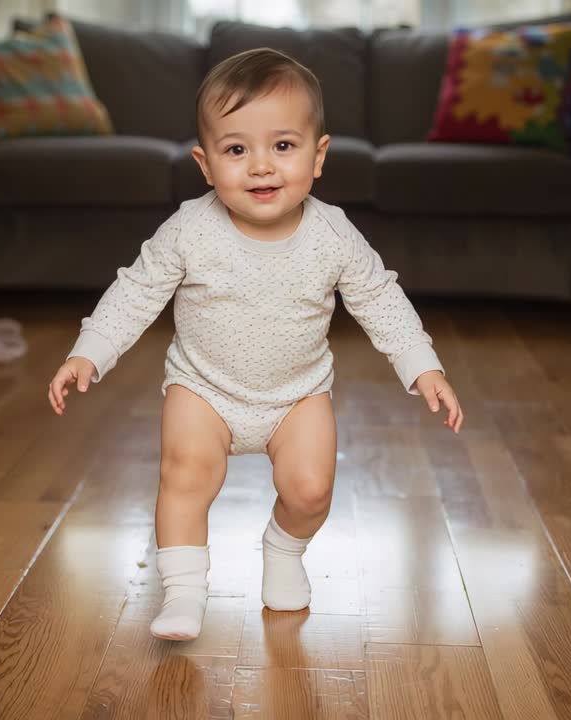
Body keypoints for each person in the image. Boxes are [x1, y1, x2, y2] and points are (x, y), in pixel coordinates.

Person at [47, 47, 464, 641]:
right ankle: (185, 594)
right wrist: (89, 350)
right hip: (204, 388)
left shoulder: (333, 234)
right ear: (206, 164)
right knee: (185, 474)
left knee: (311, 488)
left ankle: (284, 550)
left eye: (284, 146)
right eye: (237, 149)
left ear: (319, 157)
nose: (262, 166)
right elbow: (137, 290)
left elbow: (379, 297)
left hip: (296, 395)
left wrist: (424, 366)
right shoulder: (190, 229)